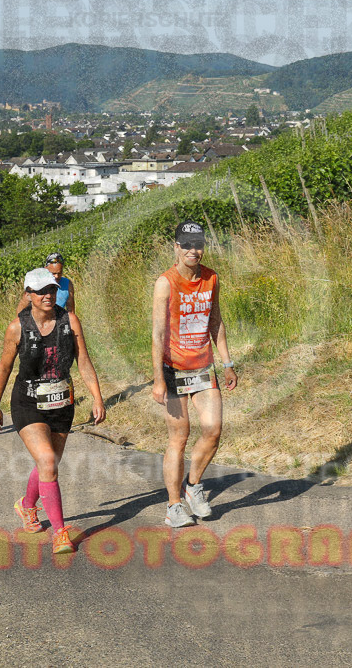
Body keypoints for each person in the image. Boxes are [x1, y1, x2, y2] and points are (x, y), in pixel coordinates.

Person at [0, 268, 106, 555]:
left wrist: (97, 397)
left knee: (48, 464)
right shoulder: (17, 327)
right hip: (27, 403)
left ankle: (27, 506)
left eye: (52, 290)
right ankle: (60, 534)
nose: (48, 296)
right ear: (28, 294)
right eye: (41, 291)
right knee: (47, 461)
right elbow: (4, 368)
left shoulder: (70, 320)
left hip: (61, 404)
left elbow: (84, 362)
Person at [151, 221, 238, 528]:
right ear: (176, 247)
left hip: (204, 367)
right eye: (186, 245)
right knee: (180, 436)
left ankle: (193, 486)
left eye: (198, 244)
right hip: (173, 369)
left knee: (213, 429)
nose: (193, 250)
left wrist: (227, 363)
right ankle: (173, 505)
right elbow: (158, 334)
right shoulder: (166, 282)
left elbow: (216, 321)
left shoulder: (212, 277)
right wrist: (158, 379)